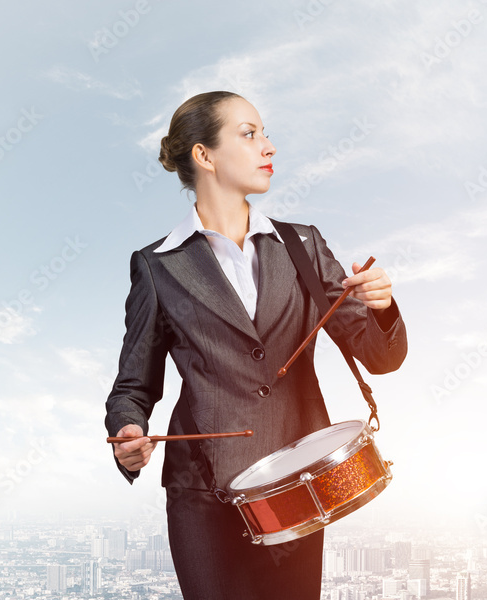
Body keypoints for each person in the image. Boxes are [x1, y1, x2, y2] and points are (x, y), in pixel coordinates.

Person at [104, 91, 407, 599]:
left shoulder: (303, 245)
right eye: (249, 134)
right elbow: (132, 385)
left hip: (298, 486)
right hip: (202, 494)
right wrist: (128, 430)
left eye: (264, 132)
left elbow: (381, 357)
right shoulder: (157, 265)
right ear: (204, 155)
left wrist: (382, 306)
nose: (268, 145)